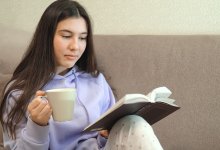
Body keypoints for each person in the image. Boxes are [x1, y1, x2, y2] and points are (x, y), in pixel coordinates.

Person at [0, 0, 163, 149]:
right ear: (46, 38)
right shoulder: (19, 91)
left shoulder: (96, 81)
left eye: (82, 38)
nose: (75, 46)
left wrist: (104, 136)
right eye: (66, 36)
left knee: (135, 123)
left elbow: (104, 139)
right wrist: (37, 125)